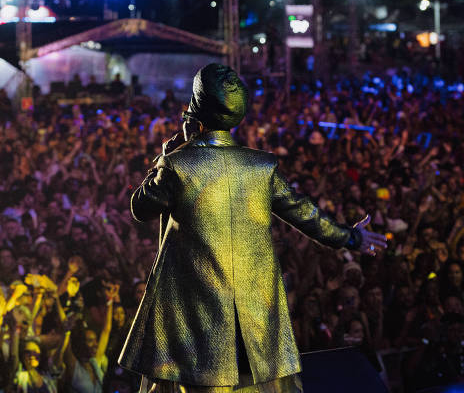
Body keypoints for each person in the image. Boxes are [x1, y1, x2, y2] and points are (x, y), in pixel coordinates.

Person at [119, 63, 387, 392]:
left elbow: (140, 208)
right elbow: (305, 213)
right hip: (256, 317)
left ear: (196, 112)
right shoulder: (261, 165)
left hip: (196, 324)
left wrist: (168, 154)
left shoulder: (177, 163)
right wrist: (352, 237)